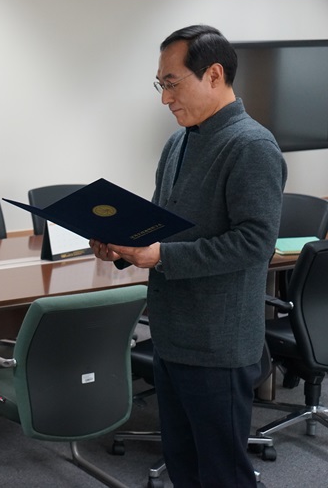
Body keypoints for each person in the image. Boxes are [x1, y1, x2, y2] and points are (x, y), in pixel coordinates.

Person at [89, 25, 286, 486]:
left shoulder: (251, 146)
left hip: (218, 345)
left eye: (172, 83)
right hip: (174, 334)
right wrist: (119, 246)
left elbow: (255, 241)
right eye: (161, 85)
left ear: (214, 75)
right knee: (182, 464)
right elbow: (160, 228)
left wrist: (161, 257)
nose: (165, 98)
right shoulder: (180, 141)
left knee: (222, 473)